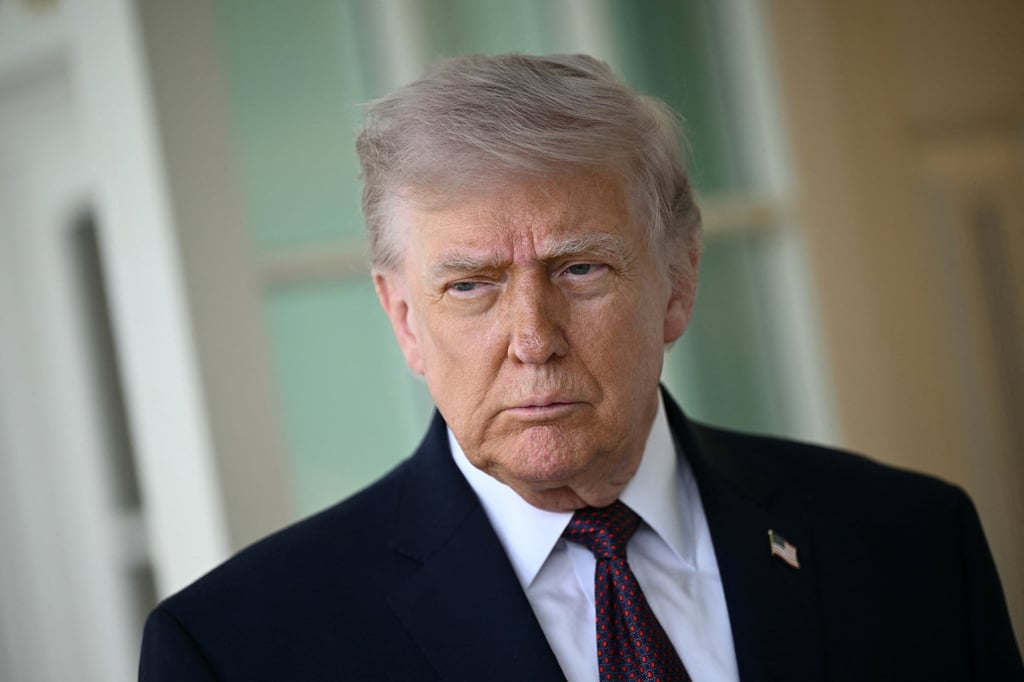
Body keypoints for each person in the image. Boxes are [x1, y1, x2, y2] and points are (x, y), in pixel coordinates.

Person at [139, 53, 1023, 681]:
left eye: (580, 270)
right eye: (471, 285)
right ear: (405, 319)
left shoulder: (912, 544)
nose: (533, 338)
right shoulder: (238, 650)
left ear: (678, 283)